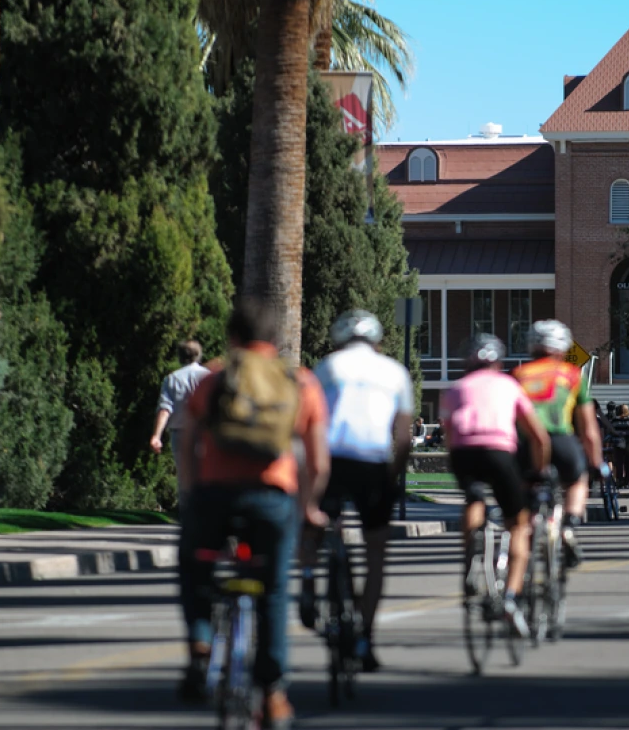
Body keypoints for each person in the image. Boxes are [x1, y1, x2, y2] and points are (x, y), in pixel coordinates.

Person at [175, 297, 330, 728]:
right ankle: (275, 694)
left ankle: (201, 641)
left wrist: (192, 496)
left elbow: (188, 445)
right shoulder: (300, 383)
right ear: (276, 340)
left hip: (215, 496)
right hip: (271, 498)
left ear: (233, 337)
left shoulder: (216, 380)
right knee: (274, 588)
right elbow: (318, 462)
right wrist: (309, 507)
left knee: (194, 563)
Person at [300, 309, 413, 672]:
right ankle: (365, 636)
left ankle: (307, 580)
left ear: (338, 340)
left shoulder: (327, 367)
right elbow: (403, 436)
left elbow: (309, 422)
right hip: (372, 464)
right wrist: (392, 476)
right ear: (378, 341)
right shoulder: (396, 372)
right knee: (376, 553)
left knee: (314, 523)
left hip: (332, 460)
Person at [440, 333, 549, 638]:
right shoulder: (509, 385)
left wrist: (458, 462)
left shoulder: (455, 388)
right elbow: (538, 436)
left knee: (474, 499)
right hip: (500, 452)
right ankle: (511, 597)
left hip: (464, 453)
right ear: (498, 361)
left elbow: (448, 434)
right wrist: (537, 473)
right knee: (518, 524)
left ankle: (471, 561)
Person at [512, 320, 610, 568]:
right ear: (563, 347)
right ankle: (568, 525)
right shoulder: (572, 375)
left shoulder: (518, 376)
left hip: (528, 445)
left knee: (526, 495)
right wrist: (597, 463)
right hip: (562, 441)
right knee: (578, 481)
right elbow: (589, 430)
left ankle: (532, 535)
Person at [150, 340, 210, 508]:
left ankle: (189, 517)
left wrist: (156, 436)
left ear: (180, 356)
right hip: (205, 433)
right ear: (199, 355)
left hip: (181, 434)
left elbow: (164, 409)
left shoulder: (172, 379)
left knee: (184, 478)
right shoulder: (208, 377)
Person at [610, 404, 629, 489]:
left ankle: (619, 480)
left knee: (619, 463)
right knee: (628, 463)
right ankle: (627, 481)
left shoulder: (614, 420)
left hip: (618, 443)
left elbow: (611, 430)